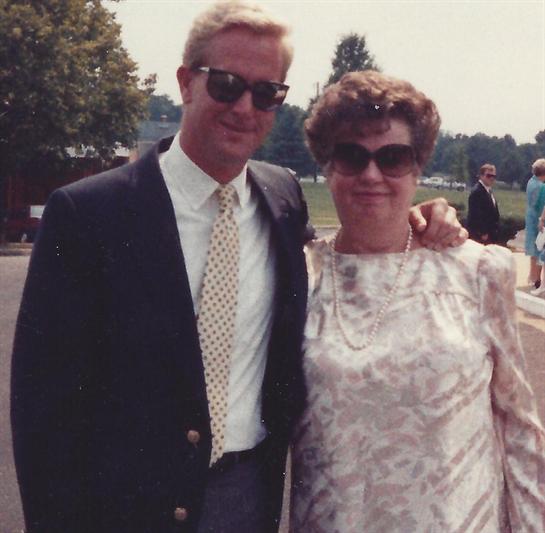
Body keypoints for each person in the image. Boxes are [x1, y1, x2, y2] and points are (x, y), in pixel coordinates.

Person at [10, 3, 465, 532]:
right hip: (122, 508)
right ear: (186, 82)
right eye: (226, 85)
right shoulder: (89, 214)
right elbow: (43, 409)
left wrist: (419, 217)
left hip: (247, 499)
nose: (245, 107)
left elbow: (354, 244)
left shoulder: (282, 197)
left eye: (267, 92)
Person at [290, 70, 545, 532]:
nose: (371, 174)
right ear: (327, 166)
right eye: (351, 156)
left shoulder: (476, 272)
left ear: (417, 168)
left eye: (393, 158)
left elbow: (520, 427)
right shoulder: (296, 278)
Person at [467, 163, 500, 244]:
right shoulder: (477, 192)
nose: (491, 178)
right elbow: (475, 214)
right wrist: (482, 232)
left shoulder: (488, 190)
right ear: (481, 176)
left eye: (494, 176)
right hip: (480, 235)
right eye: (488, 175)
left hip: (490, 234)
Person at [525, 158, 545, 290]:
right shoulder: (542, 187)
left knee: (533, 248)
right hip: (539, 219)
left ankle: (532, 276)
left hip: (530, 217)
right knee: (540, 248)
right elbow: (543, 205)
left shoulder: (530, 182)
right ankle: (537, 278)